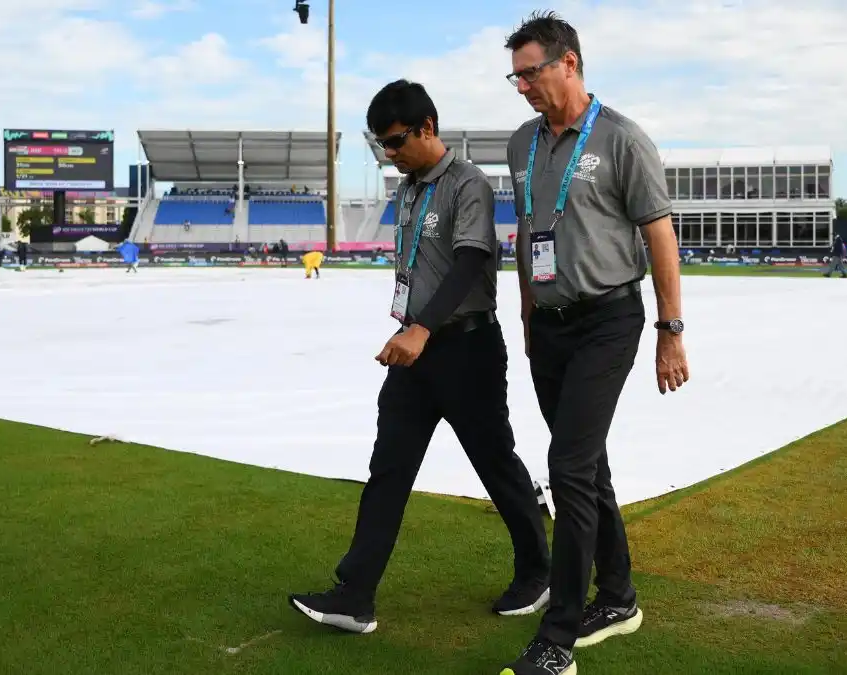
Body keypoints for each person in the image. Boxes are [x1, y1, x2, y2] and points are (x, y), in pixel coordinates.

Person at [288, 79, 551, 635]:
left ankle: (538, 570)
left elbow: (468, 262)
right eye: (382, 145)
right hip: (416, 349)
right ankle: (355, 595)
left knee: (496, 464)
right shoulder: (407, 188)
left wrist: (423, 328)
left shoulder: (468, 184)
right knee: (388, 468)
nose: (390, 153)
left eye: (397, 141)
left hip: (466, 347)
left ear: (428, 127)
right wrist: (413, 329)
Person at [498, 12, 688, 675]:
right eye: (515, 75)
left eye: (530, 72)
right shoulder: (522, 143)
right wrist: (525, 316)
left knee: (568, 465)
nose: (521, 86)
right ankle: (620, 595)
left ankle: (558, 640)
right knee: (588, 464)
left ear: (568, 64)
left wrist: (671, 330)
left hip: (609, 318)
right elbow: (527, 234)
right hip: (548, 326)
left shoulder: (621, 139)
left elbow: (660, 234)